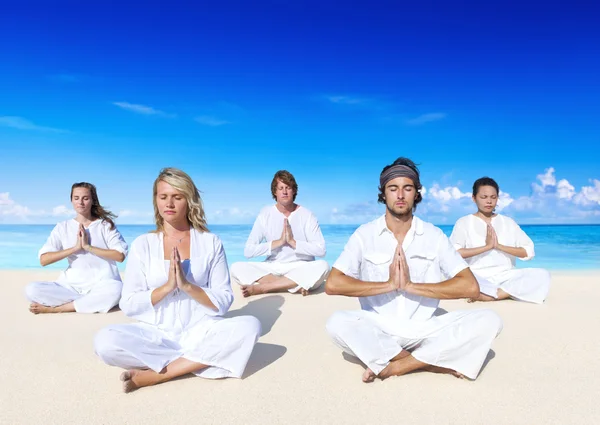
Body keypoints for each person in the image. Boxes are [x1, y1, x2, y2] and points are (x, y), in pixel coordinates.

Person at [325, 157, 503, 383]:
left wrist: (411, 286)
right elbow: (333, 283)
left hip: (425, 328)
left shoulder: (434, 235)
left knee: (491, 320)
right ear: (383, 193)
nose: (400, 195)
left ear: (416, 193)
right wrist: (388, 285)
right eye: (393, 188)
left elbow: (470, 286)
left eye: (407, 188)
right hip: (379, 326)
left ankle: (396, 365)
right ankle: (428, 361)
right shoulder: (365, 234)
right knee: (337, 322)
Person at [94, 168, 261, 393]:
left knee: (251, 326)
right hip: (157, 333)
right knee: (104, 342)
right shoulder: (143, 244)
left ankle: (160, 374)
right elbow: (129, 304)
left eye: (177, 197)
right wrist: (167, 288)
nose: (169, 203)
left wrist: (188, 286)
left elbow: (224, 300)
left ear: (189, 200)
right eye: (163, 197)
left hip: (201, 330)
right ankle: (196, 360)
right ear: (156, 201)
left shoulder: (211, 242)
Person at [25, 182, 127, 314]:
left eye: (85, 198)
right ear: (71, 200)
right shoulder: (62, 227)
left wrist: (88, 247)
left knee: (117, 289)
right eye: (76, 198)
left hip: (103, 284)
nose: (81, 202)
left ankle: (60, 308)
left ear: (92, 200)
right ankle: (88, 303)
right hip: (71, 287)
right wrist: (75, 248)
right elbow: (44, 260)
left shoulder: (105, 225)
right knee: (31, 290)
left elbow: (120, 256)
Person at [449, 177, 551, 303]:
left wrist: (498, 246)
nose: (489, 201)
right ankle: (499, 291)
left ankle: (496, 294)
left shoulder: (508, 222)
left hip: (505, 276)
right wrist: (486, 247)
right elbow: (454, 253)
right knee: (457, 277)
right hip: (476, 275)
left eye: (493, 197)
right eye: (484, 197)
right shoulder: (464, 222)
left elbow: (528, 251)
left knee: (542, 275)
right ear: (474, 198)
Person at [230, 170, 329, 297]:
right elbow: (248, 251)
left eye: (288, 187)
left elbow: (321, 250)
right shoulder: (265, 214)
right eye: (280, 188)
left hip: (300, 267)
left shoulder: (307, 215)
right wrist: (279, 242)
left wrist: (293, 242)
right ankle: (293, 286)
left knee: (323, 266)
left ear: (294, 191)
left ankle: (265, 288)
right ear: (275, 192)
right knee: (236, 268)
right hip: (272, 267)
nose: (284, 192)